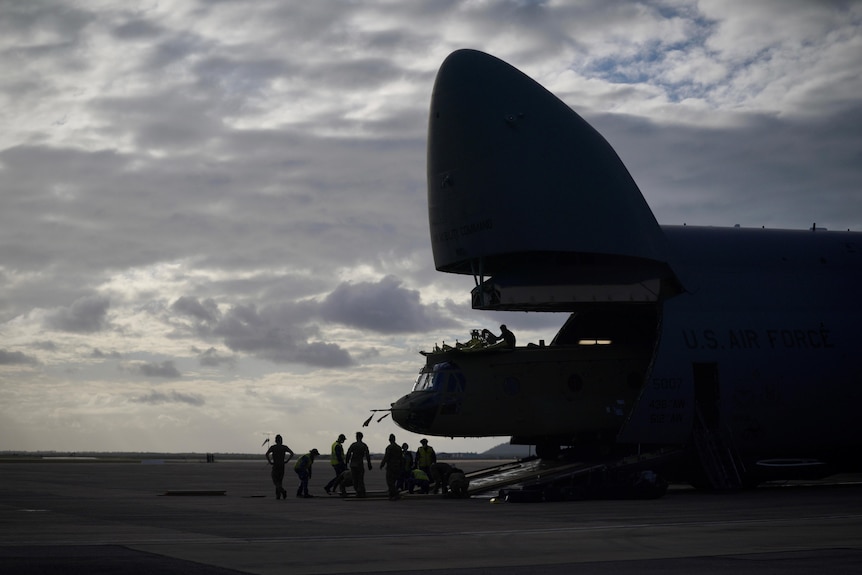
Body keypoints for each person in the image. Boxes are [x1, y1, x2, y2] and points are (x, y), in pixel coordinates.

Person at [264, 434, 294, 500]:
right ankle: (278, 495)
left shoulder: (273, 447)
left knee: (275, 480)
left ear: (275, 440)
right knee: (280, 481)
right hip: (282, 465)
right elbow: (292, 453)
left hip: (276, 465)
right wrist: (287, 461)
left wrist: (270, 461)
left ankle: (282, 491)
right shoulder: (284, 447)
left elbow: (266, 454)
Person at [345, 431, 372, 497]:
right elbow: (367, 455)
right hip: (360, 464)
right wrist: (369, 464)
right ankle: (361, 492)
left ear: (357, 437)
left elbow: (348, 453)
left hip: (353, 464)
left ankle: (358, 491)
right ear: (362, 437)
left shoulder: (353, 445)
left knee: (355, 479)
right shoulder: (364, 445)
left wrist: (346, 462)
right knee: (360, 479)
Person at [379, 433, 404, 500]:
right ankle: (392, 494)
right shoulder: (399, 448)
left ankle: (395, 494)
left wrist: (382, 464)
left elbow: (386, 457)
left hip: (391, 467)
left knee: (390, 481)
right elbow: (401, 458)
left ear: (390, 440)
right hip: (397, 466)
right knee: (394, 481)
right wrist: (401, 467)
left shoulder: (389, 447)